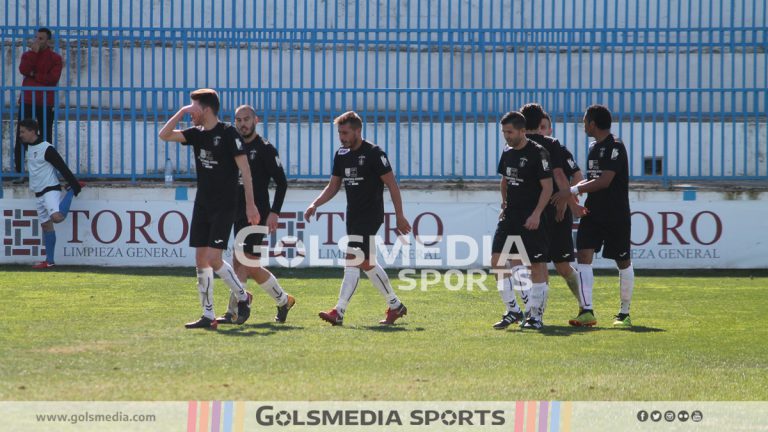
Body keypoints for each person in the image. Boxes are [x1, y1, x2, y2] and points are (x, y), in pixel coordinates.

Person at [158, 88, 260, 329]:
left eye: (193, 108)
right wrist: (182, 111)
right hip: (202, 204)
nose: (190, 113)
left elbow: (245, 171)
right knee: (201, 260)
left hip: (224, 205)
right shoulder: (196, 134)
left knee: (214, 259)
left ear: (205, 109)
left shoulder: (228, 133)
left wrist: (250, 204)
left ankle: (243, 296)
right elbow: (164, 134)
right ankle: (208, 315)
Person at [304, 111, 411, 326]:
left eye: (345, 133)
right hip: (352, 215)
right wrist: (315, 203)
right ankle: (395, 306)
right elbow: (333, 185)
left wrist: (399, 216)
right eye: (339, 133)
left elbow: (392, 184)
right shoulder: (341, 154)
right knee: (367, 263)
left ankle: (339, 311)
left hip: (371, 215)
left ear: (357, 131)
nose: (342, 137)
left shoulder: (374, 153)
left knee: (352, 258)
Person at [217, 105, 296, 325]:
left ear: (255, 121)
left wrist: (274, 213)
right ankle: (283, 300)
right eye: (238, 120)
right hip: (237, 212)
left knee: (247, 264)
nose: (242, 124)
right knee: (239, 263)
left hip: (257, 214)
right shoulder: (234, 147)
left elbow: (282, 183)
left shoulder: (265, 149)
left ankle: (234, 310)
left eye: (246, 119)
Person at [566, 105, 635, 328]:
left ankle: (624, 313)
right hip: (593, 212)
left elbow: (605, 181)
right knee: (583, 256)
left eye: (585, 121)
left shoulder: (616, 147)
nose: (583, 125)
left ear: (593, 123)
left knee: (622, 261)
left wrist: (574, 191)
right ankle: (587, 311)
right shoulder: (594, 147)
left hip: (615, 214)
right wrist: (575, 189)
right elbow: (592, 179)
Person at [520, 103, 586, 320]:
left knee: (559, 265)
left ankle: (584, 305)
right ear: (540, 124)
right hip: (546, 210)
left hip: (548, 211)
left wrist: (569, 201)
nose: (545, 130)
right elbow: (559, 176)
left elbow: (572, 175)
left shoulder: (553, 146)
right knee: (540, 264)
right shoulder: (537, 145)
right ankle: (538, 311)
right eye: (544, 125)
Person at [491, 111, 553, 330]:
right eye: (504, 132)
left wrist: (536, 214)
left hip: (531, 216)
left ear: (522, 131)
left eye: (510, 132)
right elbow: (505, 181)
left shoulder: (538, 153)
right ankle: (513, 310)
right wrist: (504, 204)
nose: (506, 136)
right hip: (510, 216)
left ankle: (536, 316)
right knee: (497, 261)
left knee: (536, 264)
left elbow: (548, 188)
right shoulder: (507, 153)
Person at [18, 118, 83, 269]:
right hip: (38, 193)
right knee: (47, 227)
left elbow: (61, 166)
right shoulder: (28, 146)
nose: (20, 135)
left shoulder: (47, 148)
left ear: (32, 131)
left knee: (57, 218)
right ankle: (49, 261)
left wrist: (74, 185)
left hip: (50, 189)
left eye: (22, 132)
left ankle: (71, 191)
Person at [14, 28, 63, 183]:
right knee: (21, 136)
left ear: (48, 41)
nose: (37, 41)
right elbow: (24, 70)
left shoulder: (55, 58)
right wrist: (34, 56)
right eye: (36, 37)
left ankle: (46, 173)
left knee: (46, 137)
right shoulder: (28, 55)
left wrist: (34, 75)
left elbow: (52, 79)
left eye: (41, 38)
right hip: (28, 100)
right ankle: (20, 172)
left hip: (45, 102)